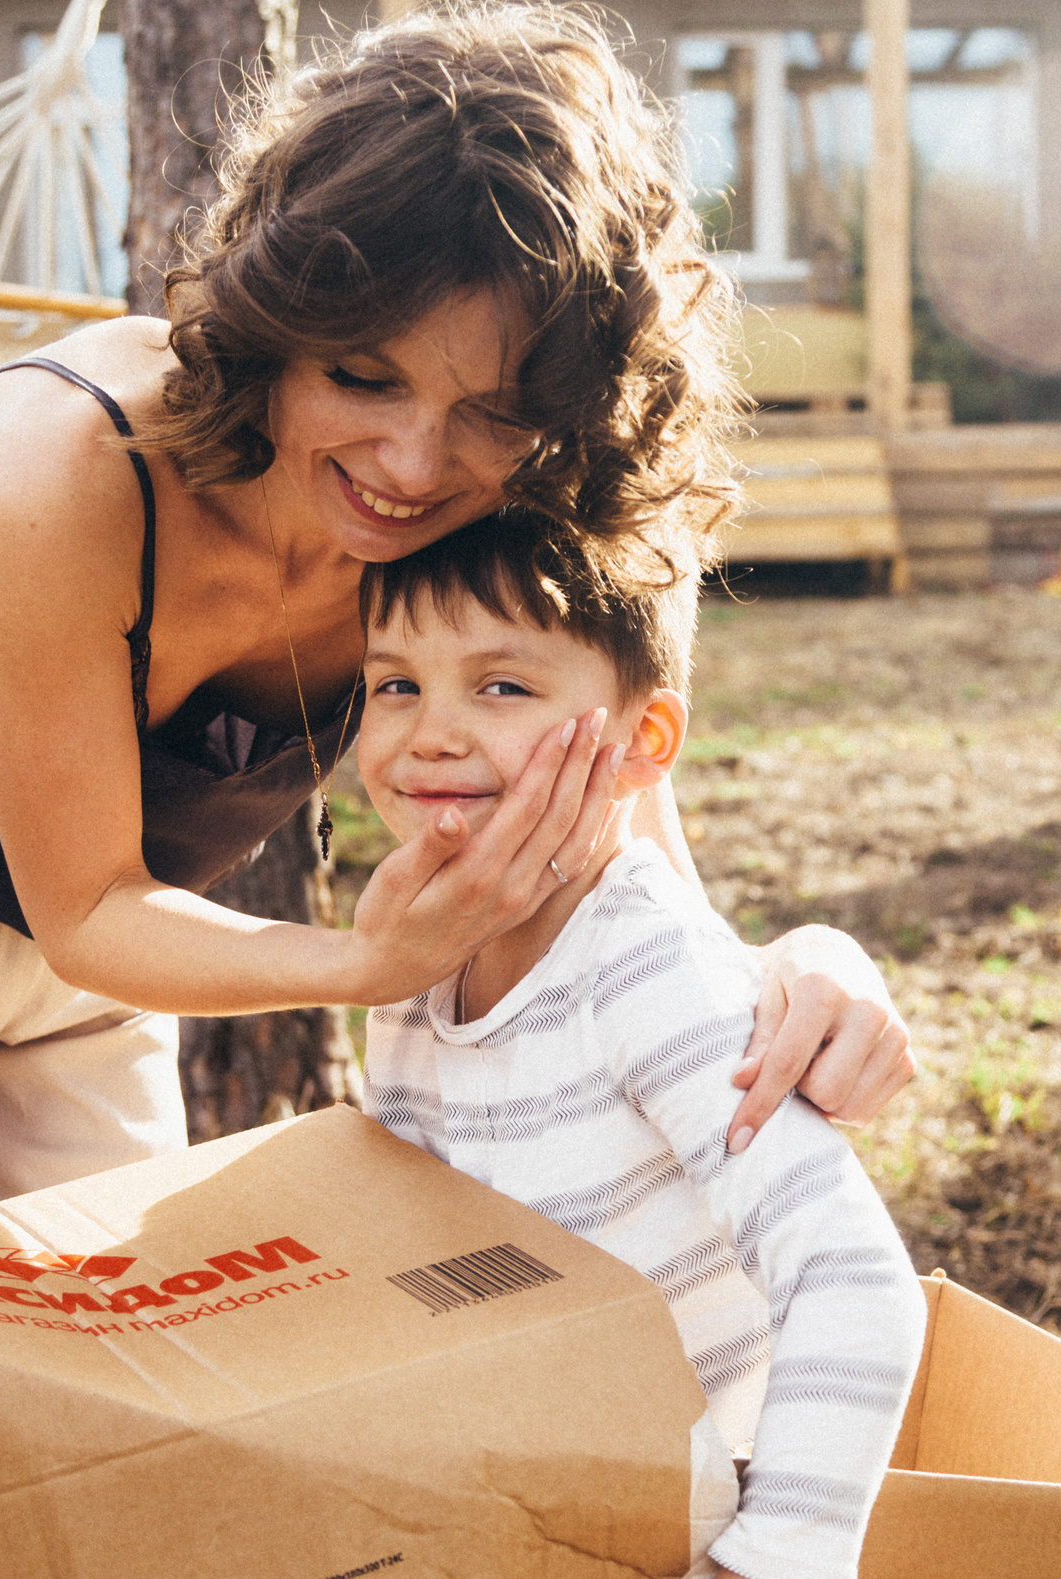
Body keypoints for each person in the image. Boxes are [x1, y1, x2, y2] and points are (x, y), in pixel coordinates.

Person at [0, 0, 917, 1220]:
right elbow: (83, 907)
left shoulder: (525, 517)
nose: (413, 466)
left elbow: (622, 851)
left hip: (99, 950)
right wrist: (365, 965)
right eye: (363, 377)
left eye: (493, 410)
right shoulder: (67, 461)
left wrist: (794, 968)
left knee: (127, 1384)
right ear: (275, 322)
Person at [355, 510, 923, 1579]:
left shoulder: (643, 965)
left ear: (642, 745)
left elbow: (850, 1277)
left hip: (665, 1524)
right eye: (396, 685)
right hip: (502, 1502)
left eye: (501, 686)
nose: (429, 734)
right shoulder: (412, 954)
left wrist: (773, 1560)